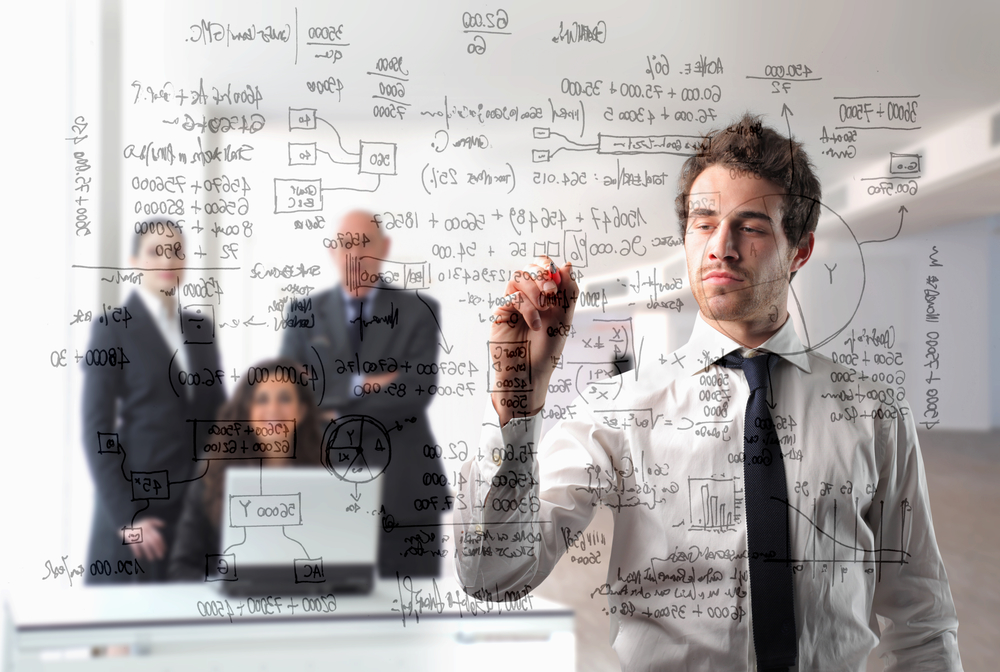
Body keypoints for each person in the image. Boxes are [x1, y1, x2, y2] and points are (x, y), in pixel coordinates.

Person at [455, 114, 962, 671]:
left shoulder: (875, 414)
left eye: (752, 225)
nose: (721, 246)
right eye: (704, 222)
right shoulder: (617, 412)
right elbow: (493, 579)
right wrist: (514, 402)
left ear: (801, 250)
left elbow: (920, 620)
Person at [280, 210, 447, 577]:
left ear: (384, 247)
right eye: (344, 244)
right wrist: (362, 382)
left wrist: (334, 406)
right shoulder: (302, 314)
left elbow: (416, 390)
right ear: (332, 251)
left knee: (414, 616)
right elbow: (290, 392)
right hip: (327, 488)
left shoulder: (420, 311)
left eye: (364, 243)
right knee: (334, 618)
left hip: (405, 491)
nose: (353, 254)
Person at [81, 219, 225, 583]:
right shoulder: (111, 328)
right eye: (155, 251)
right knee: (123, 634)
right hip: (137, 513)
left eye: (176, 250)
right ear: (134, 260)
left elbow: (219, 419)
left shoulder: (200, 329)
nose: (167, 260)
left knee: (188, 631)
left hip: (191, 513)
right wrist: (127, 519)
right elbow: (95, 431)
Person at [168, 358, 323, 581]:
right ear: (247, 411)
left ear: (301, 411)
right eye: (261, 400)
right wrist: (223, 587)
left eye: (285, 398)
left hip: (305, 603)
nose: (273, 409)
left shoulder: (322, 473)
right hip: (231, 608)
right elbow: (182, 568)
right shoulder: (213, 471)